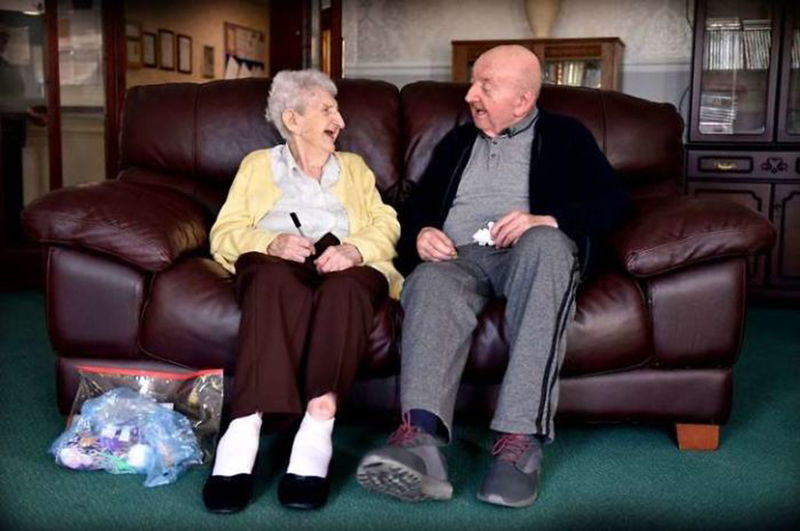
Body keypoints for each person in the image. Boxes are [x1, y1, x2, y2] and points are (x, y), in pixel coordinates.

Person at [356, 45, 630, 508]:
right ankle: (420, 443)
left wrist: (548, 220)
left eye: (485, 85)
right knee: (429, 279)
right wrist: (420, 234)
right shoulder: (458, 142)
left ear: (522, 100)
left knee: (545, 247)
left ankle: (518, 443)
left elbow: (614, 204)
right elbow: (415, 208)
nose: (469, 95)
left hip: (530, 252)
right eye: (472, 83)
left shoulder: (566, 136)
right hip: (460, 258)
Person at [204, 69, 402, 513]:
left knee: (349, 290)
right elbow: (226, 232)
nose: (341, 121)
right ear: (293, 120)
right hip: (281, 262)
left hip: (345, 265)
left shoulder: (354, 168)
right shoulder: (259, 165)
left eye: (338, 110)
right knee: (268, 276)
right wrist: (270, 243)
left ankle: (318, 422)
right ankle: (244, 427)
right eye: (328, 110)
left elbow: (385, 224)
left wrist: (354, 250)